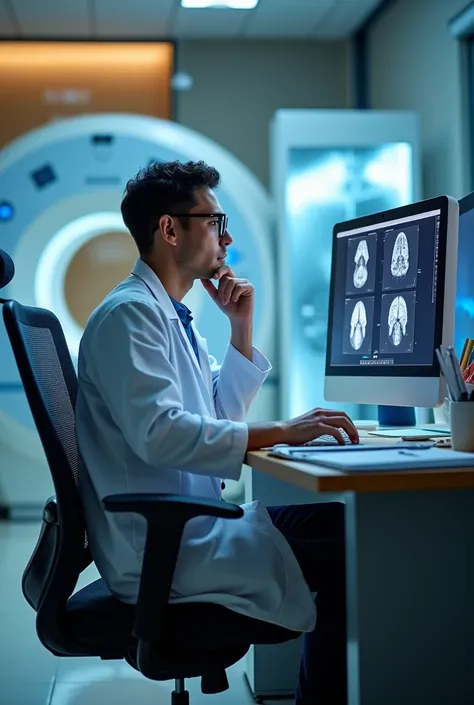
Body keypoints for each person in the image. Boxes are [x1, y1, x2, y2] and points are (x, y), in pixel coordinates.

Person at [76, 160, 359, 705]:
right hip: (162, 548)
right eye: (215, 220)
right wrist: (282, 429)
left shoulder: (168, 316)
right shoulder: (129, 317)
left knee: (340, 521)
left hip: (188, 528)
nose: (227, 237)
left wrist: (240, 327)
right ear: (170, 228)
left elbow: (217, 415)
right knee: (356, 558)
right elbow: (160, 435)